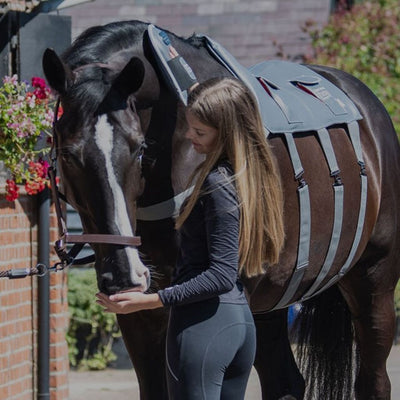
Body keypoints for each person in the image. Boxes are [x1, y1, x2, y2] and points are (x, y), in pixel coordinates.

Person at [96, 33, 285, 400]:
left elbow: (219, 274)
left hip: (204, 329)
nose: (191, 138)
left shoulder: (218, 184)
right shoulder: (249, 180)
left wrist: (148, 301)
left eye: (200, 132)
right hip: (238, 324)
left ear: (226, 132)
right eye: (189, 128)